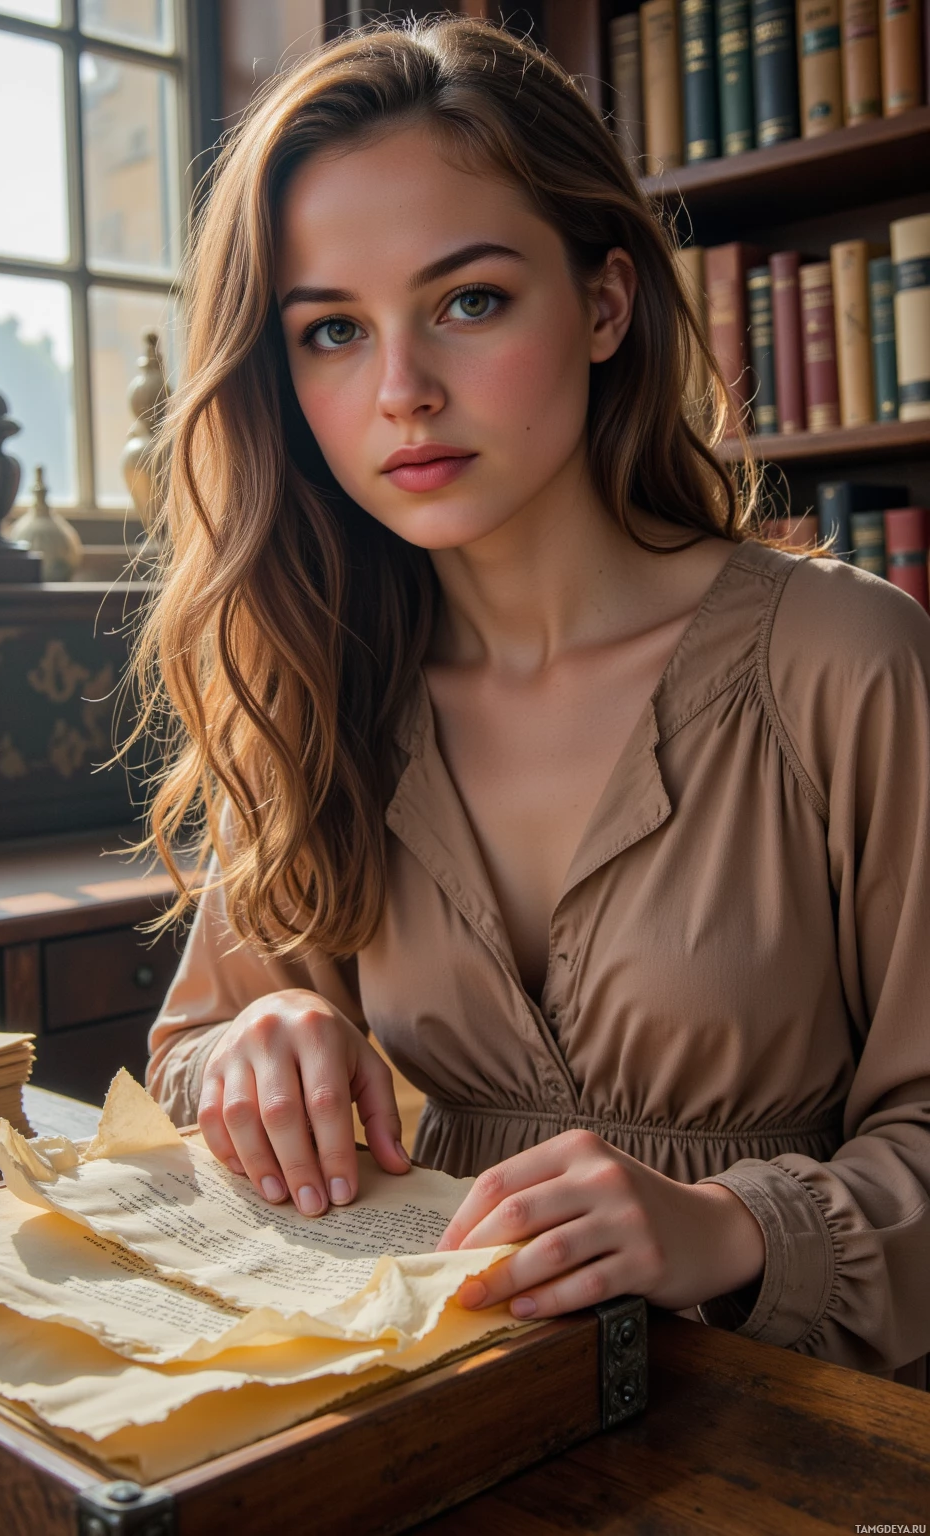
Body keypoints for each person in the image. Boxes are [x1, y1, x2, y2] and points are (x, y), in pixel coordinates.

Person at [140, 16, 930, 1377]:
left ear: (608, 303)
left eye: (469, 301)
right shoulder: (319, 683)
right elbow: (193, 1056)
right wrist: (254, 1046)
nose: (403, 393)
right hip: (421, 1435)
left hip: (782, 1447)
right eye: (332, 332)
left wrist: (726, 1226)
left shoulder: (849, 663)